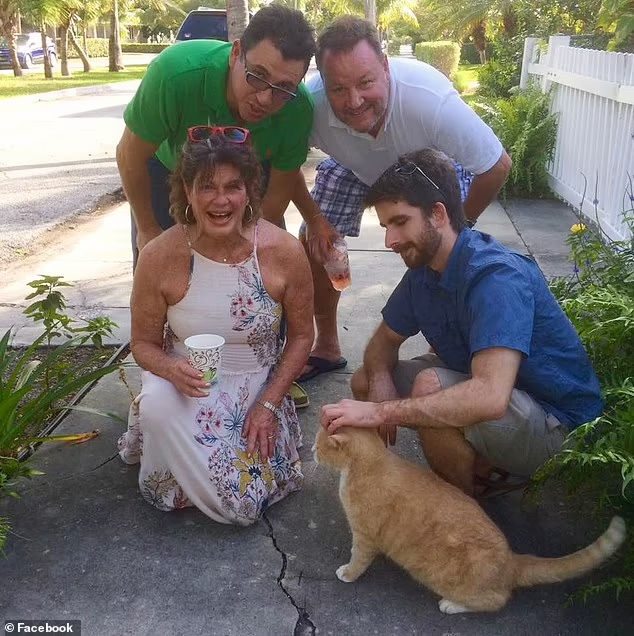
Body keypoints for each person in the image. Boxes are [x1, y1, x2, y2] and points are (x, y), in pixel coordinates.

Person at [320, 149, 603, 498]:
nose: (390, 241)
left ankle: (461, 513)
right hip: (504, 396)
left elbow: (489, 397)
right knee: (366, 379)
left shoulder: (496, 278)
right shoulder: (425, 268)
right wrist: (380, 382)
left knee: (430, 386)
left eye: (400, 222)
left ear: (438, 214)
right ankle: (478, 463)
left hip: (559, 425)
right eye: (385, 226)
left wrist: (380, 412)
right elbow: (383, 343)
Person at [291, 16, 512, 383]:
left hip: (428, 166)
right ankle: (327, 345)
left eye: (365, 83)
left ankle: (441, 351)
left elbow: (496, 165)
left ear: (385, 67)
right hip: (356, 167)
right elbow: (283, 166)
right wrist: (315, 220)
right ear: (322, 82)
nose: (354, 101)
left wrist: (460, 226)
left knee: (446, 251)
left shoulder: (429, 101)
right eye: (338, 89)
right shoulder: (309, 105)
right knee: (314, 244)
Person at [118, 130, 314, 525]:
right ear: (187, 191)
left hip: (255, 390)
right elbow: (141, 343)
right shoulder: (159, 255)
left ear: (249, 191)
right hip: (183, 383)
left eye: (232, 187)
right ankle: (175, 454)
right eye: (206, 187)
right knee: (156, 406)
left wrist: (270, 402)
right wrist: (171, 368)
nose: (220, 200)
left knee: (243, 506)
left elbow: (302, 336)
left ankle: (202, 472)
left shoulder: (283, 251)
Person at [116, 4, 316, 266]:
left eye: (283, 88)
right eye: (257, 76)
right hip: (168, 172)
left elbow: (276, 197)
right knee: (162, 265)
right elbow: (129, 156)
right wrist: (147, 229)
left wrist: (246, 257)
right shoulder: (174, 75)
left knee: (263, 264)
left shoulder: (297, 107)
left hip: (251, 174)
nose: (266, 99)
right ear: (236, 53)